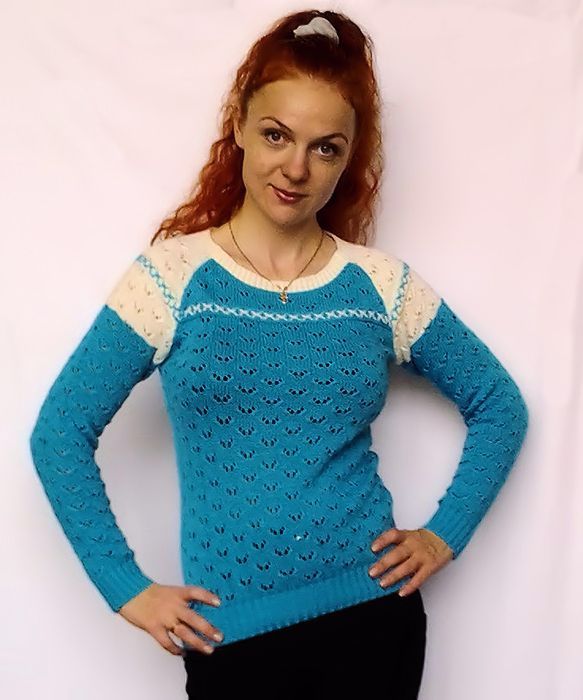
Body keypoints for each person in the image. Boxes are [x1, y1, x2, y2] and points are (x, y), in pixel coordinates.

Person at [28, 8, 529, 699]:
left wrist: (442, 536)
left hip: (372, 622)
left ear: (348, 158)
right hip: (232, 642)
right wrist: (127, 588)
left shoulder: (380, 286)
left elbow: (499, 403)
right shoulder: (171, 278)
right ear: (238, 126)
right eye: (275, 135)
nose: (295, 167)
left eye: (325, 148)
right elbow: (60, 430)